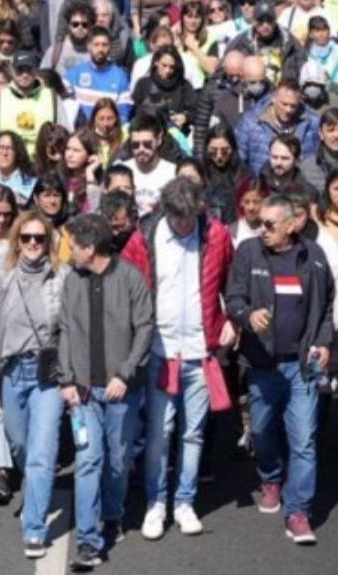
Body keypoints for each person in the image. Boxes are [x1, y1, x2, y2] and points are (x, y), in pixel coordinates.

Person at [225, 193, 336, 544]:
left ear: (292, 225)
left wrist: (323, 341)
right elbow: (233, 297)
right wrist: (246, 315)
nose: (263, 230)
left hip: (301, 365)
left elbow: (327, 303)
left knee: (303, 441)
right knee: (260, 431)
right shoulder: (248, 252)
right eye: (259, 223)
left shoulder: (313, 257)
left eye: (270, 225)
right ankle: (271, 476)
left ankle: (299, 511)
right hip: (262, 363)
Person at [138, 178, 236, 541]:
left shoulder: (217, 235)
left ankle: (184, 502)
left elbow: (233, 284)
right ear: (166, 211)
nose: (183, 226)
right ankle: (155, 503)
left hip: (200, 350)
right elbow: (133, 290)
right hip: (161, 351)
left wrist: (231, 321)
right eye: (177, 219)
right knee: (159, 433)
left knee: (193, 433)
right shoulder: (145, 237)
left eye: (189, 218)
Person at [57, 212, 154, 572]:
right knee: (88, 461)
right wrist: (66, 379)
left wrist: (125, 374)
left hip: (120, 392)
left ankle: (112, 513)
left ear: (90, 247)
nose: (68, 253)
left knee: (117, 460)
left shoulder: (130, 277)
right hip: (82, 392)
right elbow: (64, 329)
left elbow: (144, 328)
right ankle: (88, 541)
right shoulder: (72, 280)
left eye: (73, 247)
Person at [0, 210, 68, 559]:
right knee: (20, 446)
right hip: (11, 373)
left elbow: (72, 329)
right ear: (17, 241)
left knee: (42, 453)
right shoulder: (2, 277)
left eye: (39, 238)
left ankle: (34, 526)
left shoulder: (62, 276)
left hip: (47, 375)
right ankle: (36, 485)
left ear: (48, 242)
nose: (32, 244)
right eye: (26, 238)